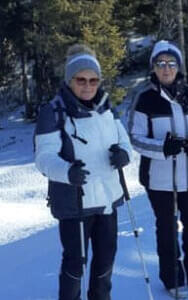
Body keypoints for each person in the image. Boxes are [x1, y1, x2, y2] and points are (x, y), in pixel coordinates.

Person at [34, 44, 133, 300]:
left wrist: (123, 154)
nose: (88, 85)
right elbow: (44, 158)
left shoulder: (106, 107)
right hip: (75, 202)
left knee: (105, 262)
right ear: (70, 80)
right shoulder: (54, 111)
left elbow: (125, 142)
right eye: (81, 80)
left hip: (108, 198)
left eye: (93, 79)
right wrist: (67, 172)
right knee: (75, 266)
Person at [127, 40, 188, 299]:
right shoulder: (145, 99)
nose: (166, 69)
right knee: (167, 229)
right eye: (160, 64)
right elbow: (135, 137)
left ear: (178, 66)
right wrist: (163, 148)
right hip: (159, 178)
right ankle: (172, 278)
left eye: (171, 63)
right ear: (153, 67)